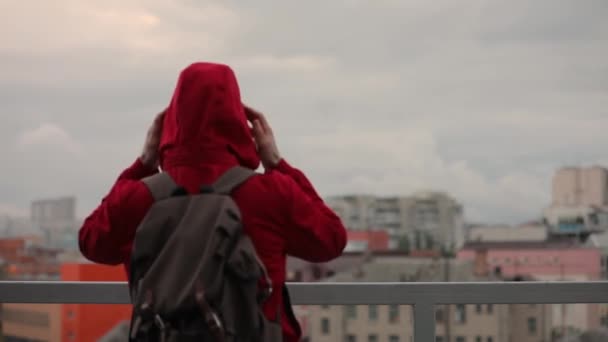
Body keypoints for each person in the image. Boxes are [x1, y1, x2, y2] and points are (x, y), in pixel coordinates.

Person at [78, 62, 347, 341]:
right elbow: (331, 239)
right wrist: (276, 163)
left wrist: (143, 164)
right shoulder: (270, 193)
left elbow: (91, 242)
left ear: (171, 123)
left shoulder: (140, 198)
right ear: (239, 122)